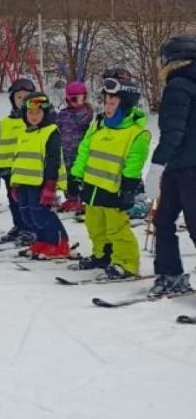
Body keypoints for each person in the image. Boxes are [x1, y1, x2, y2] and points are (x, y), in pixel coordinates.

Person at [69, 70, 149, 279]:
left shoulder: (136, 133)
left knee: (117, 229)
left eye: (113, 103)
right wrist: (75, 176)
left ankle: (126, 263)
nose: (107, 106)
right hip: (93, 187)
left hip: (114, 189)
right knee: (95, 225)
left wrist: (129, 187)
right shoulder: (98, 124)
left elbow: (134, 163)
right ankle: (102, 255)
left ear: (125, 105)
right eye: (105, 102)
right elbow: (85, 150)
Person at [145, 35, 196, 297]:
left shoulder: (179, 85)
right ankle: (170, 274)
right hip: (180, 166)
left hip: (188, 168)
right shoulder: (186, 84)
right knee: (163, 219)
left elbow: (174, 131)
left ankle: (170, 273)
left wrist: (157, 165)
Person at [9, 92, 70, 258]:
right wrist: (14, 183)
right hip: (24, 182)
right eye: (30, 113)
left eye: (38, 113)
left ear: (45, 113)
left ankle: (59, 243)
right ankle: (42, 240)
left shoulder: (50, 132)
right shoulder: (24, 133)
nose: (34, 117)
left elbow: (53, 159)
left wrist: (50, 184)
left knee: (41, 214)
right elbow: (18, 159)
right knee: (28, 216)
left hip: (41, 182)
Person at [0, 77, 36, 243]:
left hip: (26, 171)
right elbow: (0, 146)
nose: (22, 101)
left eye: (26, 97)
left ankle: (30, 228)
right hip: (8, 169)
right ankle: (19, 225)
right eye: (19, 97)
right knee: (13, 201)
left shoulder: (33, 122)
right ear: (12, 100)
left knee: (26, 202)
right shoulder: (5, 122)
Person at [54, 80, 92, 212]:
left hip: (80, 153)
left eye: (76, 99)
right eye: (70, 100)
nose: (73, 103)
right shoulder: (62, 115)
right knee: (67, 176)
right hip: (65, 152)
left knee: (80, 176)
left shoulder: (88, 114)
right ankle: (71, 198)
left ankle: (83, 200)